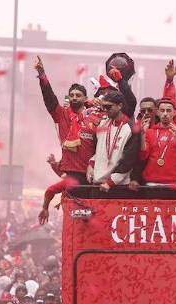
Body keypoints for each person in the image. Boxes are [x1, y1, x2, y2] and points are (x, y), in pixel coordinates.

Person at [35, 55, 98, 225]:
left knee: (95, 217)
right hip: (72, 175)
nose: (75, 97)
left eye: (78, 95)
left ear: (85, 99)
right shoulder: (61, 115)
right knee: (77, 220)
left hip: (94, 175)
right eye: (72, 95)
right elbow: (50, 98)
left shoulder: (95, 118)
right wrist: (42, 75)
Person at [130, 97, 176, 199]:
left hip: (174, 186)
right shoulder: (150, 132)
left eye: (168, 110)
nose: (165, 113)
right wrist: (142, 135)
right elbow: (143, 155)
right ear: (158, 113)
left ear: (174, 113)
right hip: (151, 185)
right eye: (162, 110)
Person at [89, 90, 139, 189]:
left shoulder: (131, 128)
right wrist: (91, 165)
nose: (105, 110)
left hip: (117, 186)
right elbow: (97, 150)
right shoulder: (102, 123)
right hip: (97, 183)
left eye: (108, 107)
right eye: (103, 107)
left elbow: (128, 161)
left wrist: (110, 182)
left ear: (120, 106)